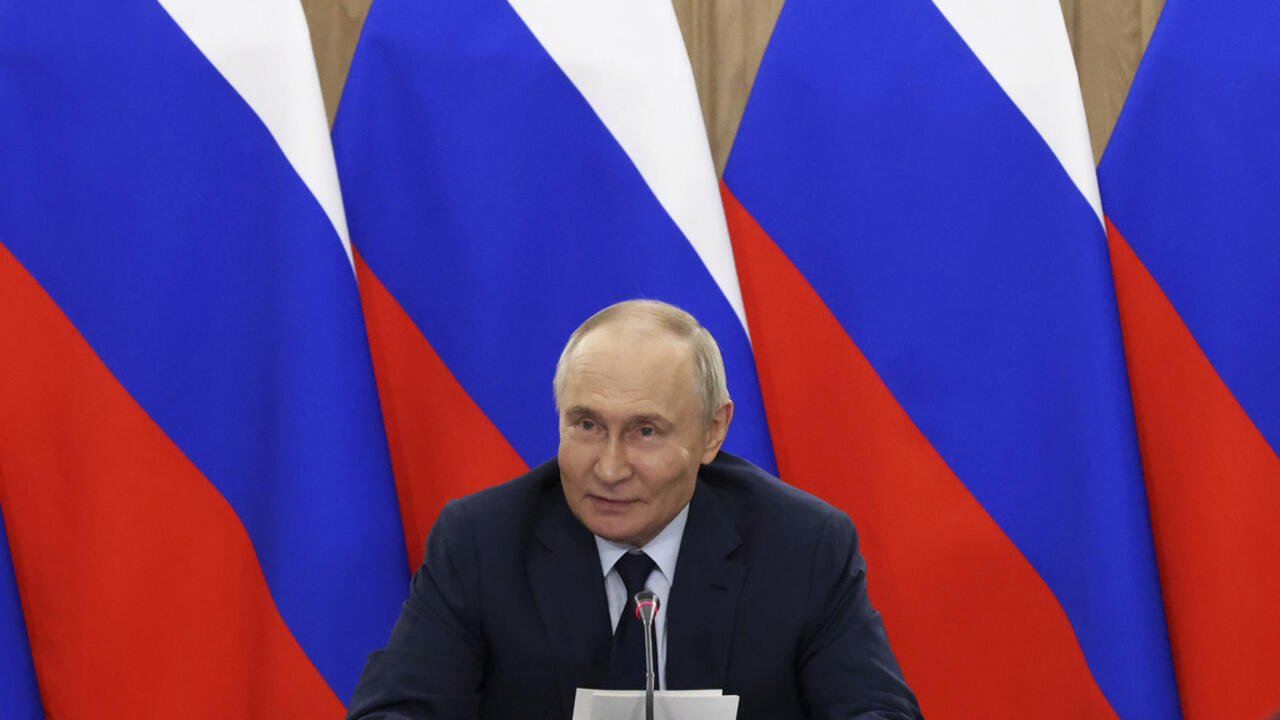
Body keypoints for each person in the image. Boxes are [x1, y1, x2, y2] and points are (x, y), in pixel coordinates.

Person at [346, 299, 922, 719]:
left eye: (646, 431)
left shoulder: (802, 546)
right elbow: (396, 710)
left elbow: (875, 710)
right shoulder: (481, 542)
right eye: (587, 425)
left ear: (712, 430)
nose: (610, 468)